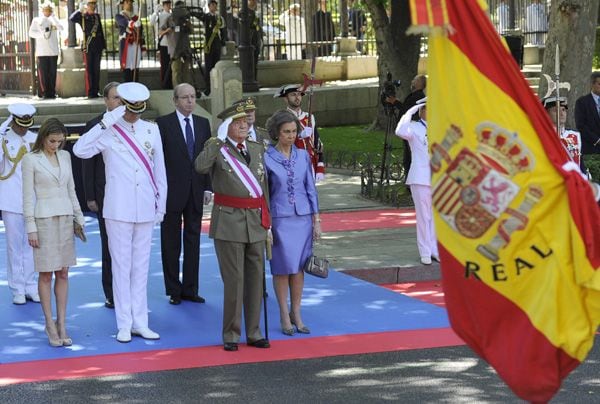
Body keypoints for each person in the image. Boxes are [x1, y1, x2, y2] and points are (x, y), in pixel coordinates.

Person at [73, 82, 167, 343]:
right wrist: (107, 120)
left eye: (138, 109)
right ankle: (124, 324)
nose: (134, 114)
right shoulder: (108, 131)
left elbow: (160, 172)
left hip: (146, 207)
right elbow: (80, 150)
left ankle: (141, 322)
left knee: (141, 268)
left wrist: (162, 206)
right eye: (129, 108)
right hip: (117, 209)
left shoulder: (152, 130)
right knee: (121, 267)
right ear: (123, 106)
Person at [195, 103, 271, 352]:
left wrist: (268, 220)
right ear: (227, 126)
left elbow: (263, 189)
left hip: (256, 221)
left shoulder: (257, 149)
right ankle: (231, 333)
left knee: (255, 280)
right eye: (238, 123)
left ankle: (254, 332)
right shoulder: (218, 148)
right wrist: (216, 142)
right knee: (234, 280)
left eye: (246, 122)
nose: (244, 126)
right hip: (229, 221)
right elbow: (200, 167)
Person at [22, 118, 85, 347]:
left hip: (66, 217)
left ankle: (62, 323)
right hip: (43, 219)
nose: (56, 145)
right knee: (46, 274)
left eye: (60, 141)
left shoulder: (65, 156)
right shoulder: (30, 159)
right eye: (52, 141)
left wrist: (79, 217)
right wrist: (31, 227)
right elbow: (28, 196)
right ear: (43, 138)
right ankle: (49, 323)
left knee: (64, 273)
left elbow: (72, 189)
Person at [264, 110, 320, 336]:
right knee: (282, 267)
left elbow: (311, 188)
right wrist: (266, 224)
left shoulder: (303, 155)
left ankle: (297, 313)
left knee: (298, 268)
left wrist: (316, 220)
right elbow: (264, 193)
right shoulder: (266, 157)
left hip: (303, 218)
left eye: (294, 131)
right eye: (286, 132)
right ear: (277, 133)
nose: (291, 135)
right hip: (279, 218)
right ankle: (283, 314)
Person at [157, 83, 212, 305]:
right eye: (185, 97)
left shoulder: (203, 123)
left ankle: (191, 288)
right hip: (171, 191)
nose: (190, 101)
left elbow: (207, 157)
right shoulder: (162, 124)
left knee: (193, 240)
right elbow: (158, 161)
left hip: (196, 190)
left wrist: (208, 187)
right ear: (175, 100)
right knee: (170, 242)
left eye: (192, 97)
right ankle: (174, 289)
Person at [81, 81, 122, 309]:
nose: (119, 101)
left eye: (121, 97)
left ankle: (126, 291)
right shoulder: (94, 125)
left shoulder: (132, 123)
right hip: (104, 195)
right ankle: (111, 292)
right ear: (106, 100)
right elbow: (88, 164)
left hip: (128, 196)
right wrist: (90, 197)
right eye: (115, 97)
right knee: (109, 245)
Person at [0, 103, 39, 305]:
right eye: (20, 123)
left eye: (27, 124)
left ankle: (31, 285)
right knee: (15, 246)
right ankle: (17, 287)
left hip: (33, 199)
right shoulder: (4, 139)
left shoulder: (34, 139)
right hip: (11, 199)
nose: (24, 128)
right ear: (13, 120)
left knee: (32, 244)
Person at [394, 98, 439, 266]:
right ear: (422, 110)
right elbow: (399, 131)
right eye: (428, 108)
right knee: (424, 217)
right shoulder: (413, 126)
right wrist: (412, 110)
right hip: (420, 177)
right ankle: (425, 251)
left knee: (435, 218)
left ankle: (434, 249)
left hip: (437, 178)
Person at [276, 84, 325, 181]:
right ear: (286, 99)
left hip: (310, 164)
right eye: (293, 95)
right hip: (291, 165)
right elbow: (279, 143)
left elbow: (317, 143)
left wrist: (320, 166)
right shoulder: (282, 118)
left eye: (299, 94)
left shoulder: (309, 117)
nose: (297, 97)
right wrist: (299, 136)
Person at [69, 0, 106, 98]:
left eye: (94, 4)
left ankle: (96, 90)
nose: (93, 6)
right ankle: (90, 92)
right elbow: (72, 19)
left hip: (97, 46)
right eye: (91, 4)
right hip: (88, 46)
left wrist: (103, 46)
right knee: (89, 70)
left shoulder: (97, 17)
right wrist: (79, 10)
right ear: (87, 5)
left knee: (96, 70)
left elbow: (100, 32)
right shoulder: (83, 17)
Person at [544, 96, 587, 175]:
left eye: (563, 110)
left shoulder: (575, 135)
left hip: (573, 180)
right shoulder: (542, 136)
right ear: (546, 114)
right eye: (556, 110)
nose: (561, 113)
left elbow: (580, 163)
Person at [29, 1, 63, 99]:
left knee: (53, 73)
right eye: (45, 10)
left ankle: (52, 92)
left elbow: (61, 28)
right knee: (43, 73)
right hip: (42, 51)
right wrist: (43, 34)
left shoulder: (54, 20)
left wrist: (53, 17)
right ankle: (44, 92)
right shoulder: (37, 20)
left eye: (49, 10)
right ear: (42, 10)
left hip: (53, 51)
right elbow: (31, 33)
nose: (47, 12)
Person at [169, 0, 204, 88]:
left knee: (187, 71)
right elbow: (171, 30)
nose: (183, 11)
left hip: (186, 48)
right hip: (176, 49)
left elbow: (191, 31)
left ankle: (187, 88)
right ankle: (177, 89)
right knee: (177, 71)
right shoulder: (171, 18)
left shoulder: (186, 21)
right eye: (181, 8)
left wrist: (188, 25)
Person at [115, 0, 143, 83]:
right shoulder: (119, 16)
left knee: (135, 66)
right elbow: (123, 23)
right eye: (127, 2)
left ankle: (135, 86)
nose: (129, 4)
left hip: (135, 44)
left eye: (130, 2)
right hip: (126, 44)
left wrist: (143, 47)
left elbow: (141, 33)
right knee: (127, 66)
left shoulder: (136, 17)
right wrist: (133, 24)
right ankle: (127, 88)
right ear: (122, 4)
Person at [202, 0, 227, 95]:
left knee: (216, 66)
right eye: (212, 5)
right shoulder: (206, 17)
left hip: (216, 43)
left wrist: (223, 44)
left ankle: (216, 86)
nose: (214, 6)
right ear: (209, 6)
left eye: (215, 5)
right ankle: (208, 87)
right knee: (208, 66)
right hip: (208, 44)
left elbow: (223, 32)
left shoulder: (220, 18)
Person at [575, 72, 600, 156]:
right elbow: (580, 125)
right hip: (591, 148)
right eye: (599, 84)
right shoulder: (582, 102)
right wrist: (597, 140)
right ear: (592, 84)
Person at [149, 0, 173, 89]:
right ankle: (165, 84)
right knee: (165, 65)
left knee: (171, 66)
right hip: (163, 43)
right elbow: (151, 23)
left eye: (169, 4)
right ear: (163, 5)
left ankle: (170, 84)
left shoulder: (172, 15)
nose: (168, 6)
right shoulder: (159, 15)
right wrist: (155, 12)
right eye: (166, 4)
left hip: (172, 43)